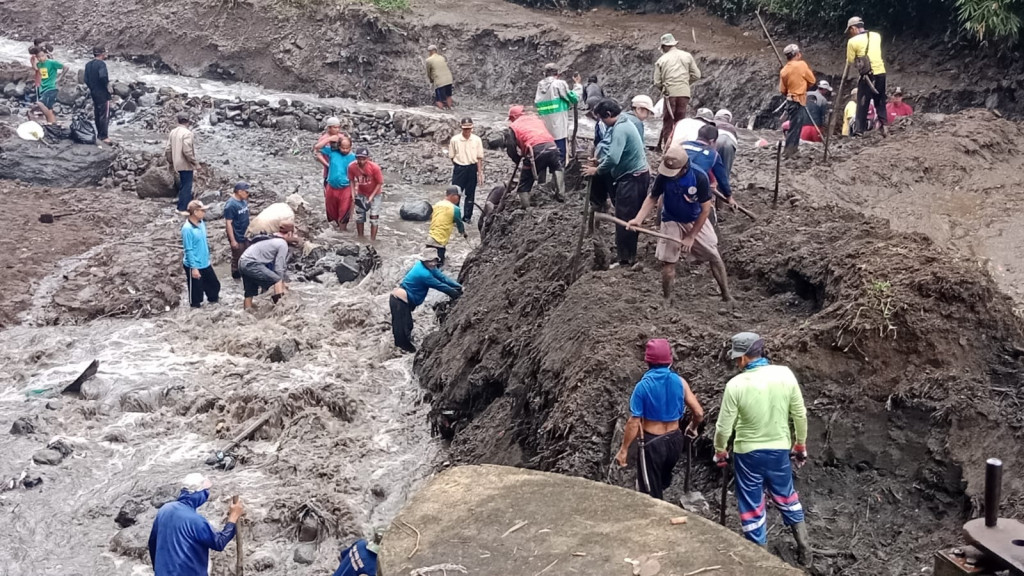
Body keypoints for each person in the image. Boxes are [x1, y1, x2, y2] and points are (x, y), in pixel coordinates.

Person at [713, 332, 811, 566]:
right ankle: (805, 550)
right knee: (787, 497)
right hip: (778, 451)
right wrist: (800, 444)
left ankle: (761, 561)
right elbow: (799, 414)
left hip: (747, 455)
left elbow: (723, 427)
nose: (737, 363)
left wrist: (720, 450)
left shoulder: (735, 385)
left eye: (738, 358)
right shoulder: (785, 374)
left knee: (752, 504)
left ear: (745, 358)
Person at [627, 146, 732, 302]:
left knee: (714, 256)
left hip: (694, 218)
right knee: (668, 262)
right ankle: (667, 299)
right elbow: (652, 197)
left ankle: (726, 296)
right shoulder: (663, 175)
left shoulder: (699, 177)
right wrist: (638, 219)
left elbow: (705, 210)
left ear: (684, 168)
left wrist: (691, 236)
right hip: (671, 218)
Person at [614, 338, 704, 500]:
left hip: (652, 444)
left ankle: (656, 515)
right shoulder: (680, 382)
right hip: (675, 441)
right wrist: (692, 426)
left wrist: (624, 450)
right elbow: (698, 413)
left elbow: (634, 422)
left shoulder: (643, 386)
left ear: (647, 361)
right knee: (662, 477)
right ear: (669, 360)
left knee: (650, 493)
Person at [582, 99, 649, 268]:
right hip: (637, 175)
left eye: (602, 118)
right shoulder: (624, 121)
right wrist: (599, 159)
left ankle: (625, 260)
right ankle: (629, 255)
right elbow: (612, 151)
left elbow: (613, 158)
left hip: (632, 178)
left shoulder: (620, 128)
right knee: (628, 216)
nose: (602, 122)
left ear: (609, 115)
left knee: (625, 218)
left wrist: (596, 170)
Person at [148, 473, 243, 576]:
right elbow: (219, 542)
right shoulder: (196, 521)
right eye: (205, 492)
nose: (206, 494)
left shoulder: (164, 510)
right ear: (198, 492)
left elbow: (152, 543)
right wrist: (233, 517)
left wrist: (157, 570)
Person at [390, 247, 462, 353]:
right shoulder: (424, 274)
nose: (433, 263)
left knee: (408, 326)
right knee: (403, 331)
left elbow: (443, 278)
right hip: (399, 300)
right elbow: (440, 286)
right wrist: (457, 295)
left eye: (434, 260)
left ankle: (402, 350)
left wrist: (458, 286)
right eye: (429, 261)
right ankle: (402, 352)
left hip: (404, 298)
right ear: (424, 260)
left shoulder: (429, 267)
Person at [506, 105, 565, 208]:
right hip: (552, 146)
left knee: (523, 187)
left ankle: (527, 209)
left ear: (513, 117)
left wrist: (517, 159)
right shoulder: (536, 119)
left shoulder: (513, 127)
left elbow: (511, 147)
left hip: (535, 151)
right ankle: (561, 194)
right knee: (556, 167)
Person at [654, 33, 701, 151]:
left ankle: (667, 150)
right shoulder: (687, 56)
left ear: (664, 46)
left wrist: (665, 89)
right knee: (680, 123)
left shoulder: (661, 60)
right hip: (684, 93)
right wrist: (685, 84)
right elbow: (697, 75)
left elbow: (657, 82)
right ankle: (679, 149)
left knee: (668, 122)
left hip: (670, 94)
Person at [846, 16, 888, 137]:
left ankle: (859, 130)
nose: (850, 33)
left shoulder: (852, 42)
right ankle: (884, 125)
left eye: (850, 30)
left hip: (867, 76)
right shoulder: (876, 36)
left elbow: (850, 60)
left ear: (853, 28)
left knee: (862, 102)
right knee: (880, 100)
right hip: (881, 72)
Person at [534, 63, 582, 163]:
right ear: (558, 74)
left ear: (544, 74)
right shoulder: (559, 84)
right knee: (560, 157)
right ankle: (559, 176)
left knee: (545, 153)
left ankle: (543, 176)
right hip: (559, 128)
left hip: (544, 128)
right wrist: (577, 85)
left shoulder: (540, 85)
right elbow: (573, 98)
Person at [238, 223, 293, 309]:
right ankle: (280, 309)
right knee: (277, 280)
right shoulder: (282, 243)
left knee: (249, 292)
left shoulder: (272, 238)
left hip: (242, 261)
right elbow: (278, 268)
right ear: (289, 233)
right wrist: (281, 283)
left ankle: (247, 313)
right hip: (252, 263)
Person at [778, 43, 816, 158]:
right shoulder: (801, 65)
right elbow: (812, 80)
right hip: (798, 100)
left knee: (794, 125)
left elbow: (782, 90)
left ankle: (791, 149)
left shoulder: (784, 70)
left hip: (790, 101)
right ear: (797, 54)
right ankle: (790, 151)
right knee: (795, 127)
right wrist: (803, 87)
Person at [181, 201, 220, 309]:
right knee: (196, 295)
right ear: (195, 212)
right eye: (202, 210)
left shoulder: (201, 223)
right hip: (194, 265)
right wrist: (194, 268)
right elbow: (188, 250)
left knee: (214, 286)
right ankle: (195, 312)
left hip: (205, 262)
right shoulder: (187, 229)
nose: (204, 212)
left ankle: (214, 307)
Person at [682, 124, 734, 202]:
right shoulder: (714, 155)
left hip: (673, 180)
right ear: (712, 141)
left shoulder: (682, 144)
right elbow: (722, 178)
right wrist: (729, 196)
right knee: (706, 202)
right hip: (692, 190)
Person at [448, 117, 484, 223]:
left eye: (469, 129)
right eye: (465, 129)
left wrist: (480, 173)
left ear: (472, 128)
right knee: (456, 194)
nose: (467, 131)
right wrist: (459, 165)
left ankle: (467, 217)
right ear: (461, 128)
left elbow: (479, 158)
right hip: (459, 168)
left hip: (472, 169)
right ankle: (455, 217)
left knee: (470, 194)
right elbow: (451, 156)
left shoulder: (477, 140)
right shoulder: (455, 140)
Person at [318, 135, 357, 230]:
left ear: (351, 147)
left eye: (347, 148)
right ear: (339, 147)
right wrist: (329, 139)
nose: (344, 150)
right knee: (332, 214)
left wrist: (356, 190)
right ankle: (336, 233)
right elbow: (317, 148)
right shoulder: (332, 152)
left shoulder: (354, 158)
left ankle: (343, 232)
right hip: (331, 186)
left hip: (346, 188)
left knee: (344, 214)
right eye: (342, 148)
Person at [348, 147, 384, 241]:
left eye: (364, 159)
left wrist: (371, 196)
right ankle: (361, 237)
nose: (361, 161)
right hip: (361, 193)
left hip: (375, 193)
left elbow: (380, 183)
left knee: (374, 217)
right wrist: (353, 194)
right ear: (356, 158)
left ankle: (373, 239)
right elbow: (351, 180)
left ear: (368, 159)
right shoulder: (352, 167)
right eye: (359, 158)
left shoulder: (375, 168)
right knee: (360, 216)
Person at [166, 113, 199, 214]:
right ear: (188, 121)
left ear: (178, 121)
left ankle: (180, 205)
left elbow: (168, 149)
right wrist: (195, 163)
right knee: (186, 186)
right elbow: (187, 151)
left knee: (183, 184)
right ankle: (182, 208)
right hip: (185, 164)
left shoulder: (173, 132)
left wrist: (171, 161)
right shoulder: (187, 133)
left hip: (176, 163)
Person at [428, 186, 467, 267]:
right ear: (453, 196)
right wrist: (463, 233)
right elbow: (459, 223)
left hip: (430, 238)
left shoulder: (437, 204)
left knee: (428, 263)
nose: (459, 199)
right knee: (438, 266)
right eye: (458, 196)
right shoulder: (455, 209)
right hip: (440, 241)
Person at [84, 46, 112, 144]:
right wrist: (107, 85)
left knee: (97, 113)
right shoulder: (101, 64)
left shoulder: (88, 65)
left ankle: (99, 134)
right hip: (102, 92)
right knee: (104, 114)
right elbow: (103, 76)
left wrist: (92, 87)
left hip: (94, 91)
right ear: (102, 54)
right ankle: (104, 136)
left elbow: (86, 79)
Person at [223, 182, 251, 280]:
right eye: (246, 192)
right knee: (237, 258)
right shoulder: (230, 205)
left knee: (247, 256)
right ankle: (236, 278)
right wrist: (233, 240)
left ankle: (246, 276)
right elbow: (228, 223)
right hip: (237, 236)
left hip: (246, 234)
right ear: (239, 192)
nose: (248, 194)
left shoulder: (243, 201)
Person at [31, 49, 64, 125]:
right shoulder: (39, 64)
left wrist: (60, 78)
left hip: (51, 88)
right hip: (43, 88)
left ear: (46, 55)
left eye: (42, 56)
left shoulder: (52, 63)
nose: (40, 58)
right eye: (38, 57)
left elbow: (66, 67)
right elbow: (36, 69)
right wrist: (34, 61)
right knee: (49, 109)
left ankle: (51, 123)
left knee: (40, 103)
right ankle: (52, 123)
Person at [426, 45, 454, 110]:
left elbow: (428, 72)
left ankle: (442, 113)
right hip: (449, 79)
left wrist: (431, 80)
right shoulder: (442, 57)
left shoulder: (429, 60)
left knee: (439, 100)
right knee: (448, 96)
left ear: (430, 52)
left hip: (439, 81)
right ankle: (450, 109)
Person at [713, 109, 738, 175]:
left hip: (716, 140)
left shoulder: (712, 123)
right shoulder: (732, 128)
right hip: (730, 144)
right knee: (725, 172)